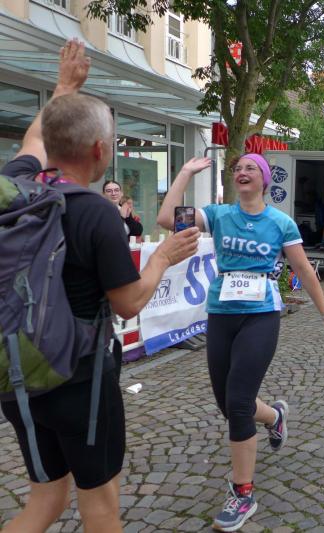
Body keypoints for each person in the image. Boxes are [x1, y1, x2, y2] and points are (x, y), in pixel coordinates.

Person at [0, 40, 200, 533]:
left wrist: (64, 87)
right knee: (101, 506)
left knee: (45, 501)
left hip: (18, 374)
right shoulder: (97, 213)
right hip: (80, 380)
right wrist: (164, 257)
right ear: (99, 150)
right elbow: (129, 303)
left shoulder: (15, 188)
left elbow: (33, 140)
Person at [157, 153, 324, 532]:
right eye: (238, 168)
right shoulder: (219, 215)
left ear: (263, 179)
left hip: (260, 316)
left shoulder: (280, 222)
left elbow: (303, 269)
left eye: (250, 168)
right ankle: (275, 417)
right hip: (221, 313)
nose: (242, 172)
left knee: (239, 402)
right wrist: (186, 172)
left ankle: (242, 493)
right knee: (227, 404)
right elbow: (166, 220)